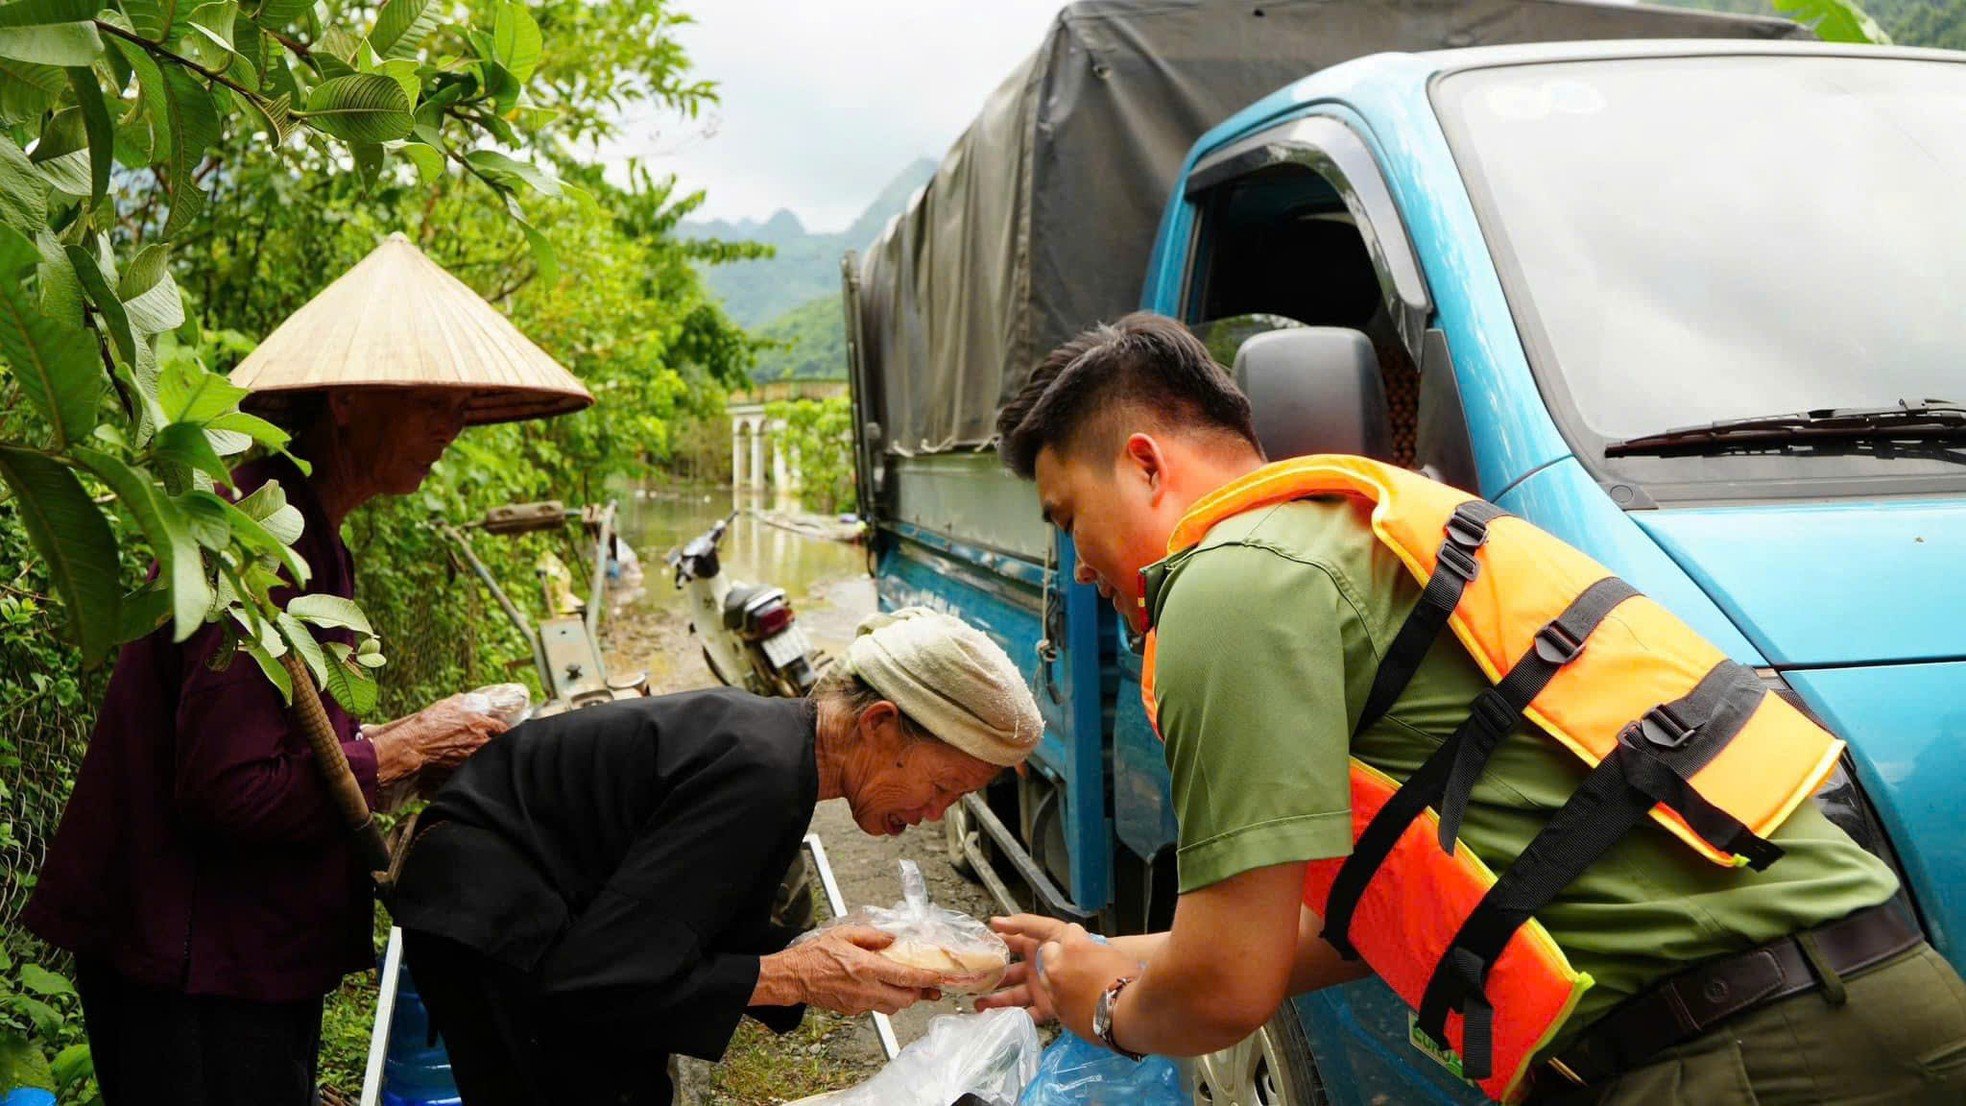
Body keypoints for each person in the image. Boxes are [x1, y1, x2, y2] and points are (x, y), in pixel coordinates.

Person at [976, 313, 1966, 1105]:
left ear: (1145, 463)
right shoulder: (1373, 531)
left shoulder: (1222, 585)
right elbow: (1343, 919)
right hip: (1874, 1004)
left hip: (1740, 1058)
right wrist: (1113, 953)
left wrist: (1107, 1009)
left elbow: (1227, 986)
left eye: (1068, 519)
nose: (1078, 564)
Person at [22, 387, 522, 1104]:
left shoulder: (303, 531)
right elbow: (231, 789)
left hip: (242, 953)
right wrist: (405, 747)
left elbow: (287, 742)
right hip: (194, 966)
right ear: (348, 401)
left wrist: (403, 748)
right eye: (435, 405)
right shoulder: (257, 544)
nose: (453, 428)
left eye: (464, 409)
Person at [388, 607, 1045, 1106]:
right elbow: (605, 976)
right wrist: (796, 975)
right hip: (490, 913)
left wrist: (831, 952)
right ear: (877, 723)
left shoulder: (780, 754)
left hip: (535, 905)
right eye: (940, 788)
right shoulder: (761, 772)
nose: (934, 814)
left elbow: (691, 920)